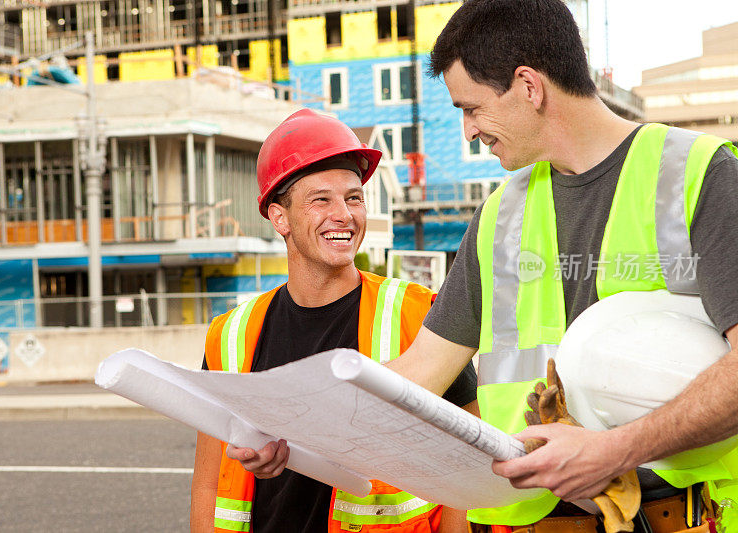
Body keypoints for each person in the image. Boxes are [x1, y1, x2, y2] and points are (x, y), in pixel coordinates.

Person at [230, 1, 738, 531]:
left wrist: (614, 450)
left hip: (683, 516)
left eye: (471, 108)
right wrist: (295, 432)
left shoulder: (699, 175)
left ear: (529, 85)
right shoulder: (501, 214)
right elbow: (419, 373)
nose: (469, 131)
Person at [190, 108, 477, 533]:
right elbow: (208, 486)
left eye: (353, 197)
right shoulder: (230, 335)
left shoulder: (417, 315)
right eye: (321, 199)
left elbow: (467, 465)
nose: (343, 214)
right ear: (279, 216)